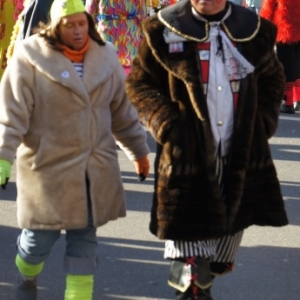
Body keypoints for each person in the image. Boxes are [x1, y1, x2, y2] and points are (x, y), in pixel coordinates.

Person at [125, 0, 288, 299]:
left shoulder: (253, 30)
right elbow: (139, 84)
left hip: (238, 157)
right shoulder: (162, 29)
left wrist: (262, 122)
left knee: (217, 257)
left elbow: (274, 78)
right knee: (192, 275)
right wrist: (166, 124)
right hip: (186, 160)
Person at [0, 0, 150, 299]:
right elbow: (11, 113)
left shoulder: (106, 57)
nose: (78, 31)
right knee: (37, 243)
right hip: (47, 168)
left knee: (84, 243)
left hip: (94, 170)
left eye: (82, 23)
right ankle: (26, 274)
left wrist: (139, 151)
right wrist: (3, 159)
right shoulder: (30, 57)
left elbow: (122, 112)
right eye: (71, 25)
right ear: (55, 27)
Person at [260, 0, 300, 114]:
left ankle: (288, 103)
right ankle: (298, 100)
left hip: (284, 30)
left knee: (286, 67)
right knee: (297, 66)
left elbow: (268, 10)